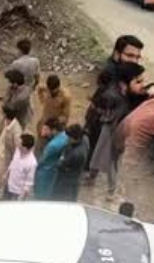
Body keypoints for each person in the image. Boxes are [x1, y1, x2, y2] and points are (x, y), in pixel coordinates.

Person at [89, 62, 148, 196]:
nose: (142, 85)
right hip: (111, 128)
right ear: (123, 84)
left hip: (118, 129)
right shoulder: (113, 95)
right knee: (108, 157)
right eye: (138, 81)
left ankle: (106, 185)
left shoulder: (131, 94)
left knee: (110, 158)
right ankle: (108, 187)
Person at [33, 119, 68, 200]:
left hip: (45, 175)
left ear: (54, 130)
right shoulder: (65, 136)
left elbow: (41, 161)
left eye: (47, 130)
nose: (45, 132)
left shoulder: (52, 146)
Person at [54, 124, 89, 202]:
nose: (67, 140)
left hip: (66, 183)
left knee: (61, 202)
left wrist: (61, 158)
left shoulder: (75, 154)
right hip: (75, 179)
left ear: (74, 138)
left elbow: (60, 164)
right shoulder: (85, 140)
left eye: (68, 138)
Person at [36, 74, 72, 139]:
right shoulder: (48, 88)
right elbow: (39, 88)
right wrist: (42, 100)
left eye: (53, 91)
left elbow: (65, 116)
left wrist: (56, 122)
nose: (50, 92)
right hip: (45, 119)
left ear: (58, 87)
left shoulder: (65, 97)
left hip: (56, 125)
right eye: (49, 90)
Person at [4, 134, 37, 200]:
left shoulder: (32, 163)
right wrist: (7, 172)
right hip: (9, 185)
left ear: (24, 148)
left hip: (17, 193)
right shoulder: (18, 150)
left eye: (19, 144)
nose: (17, 144)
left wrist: (22, 197)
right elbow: (13, 162)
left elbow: (29, 182)